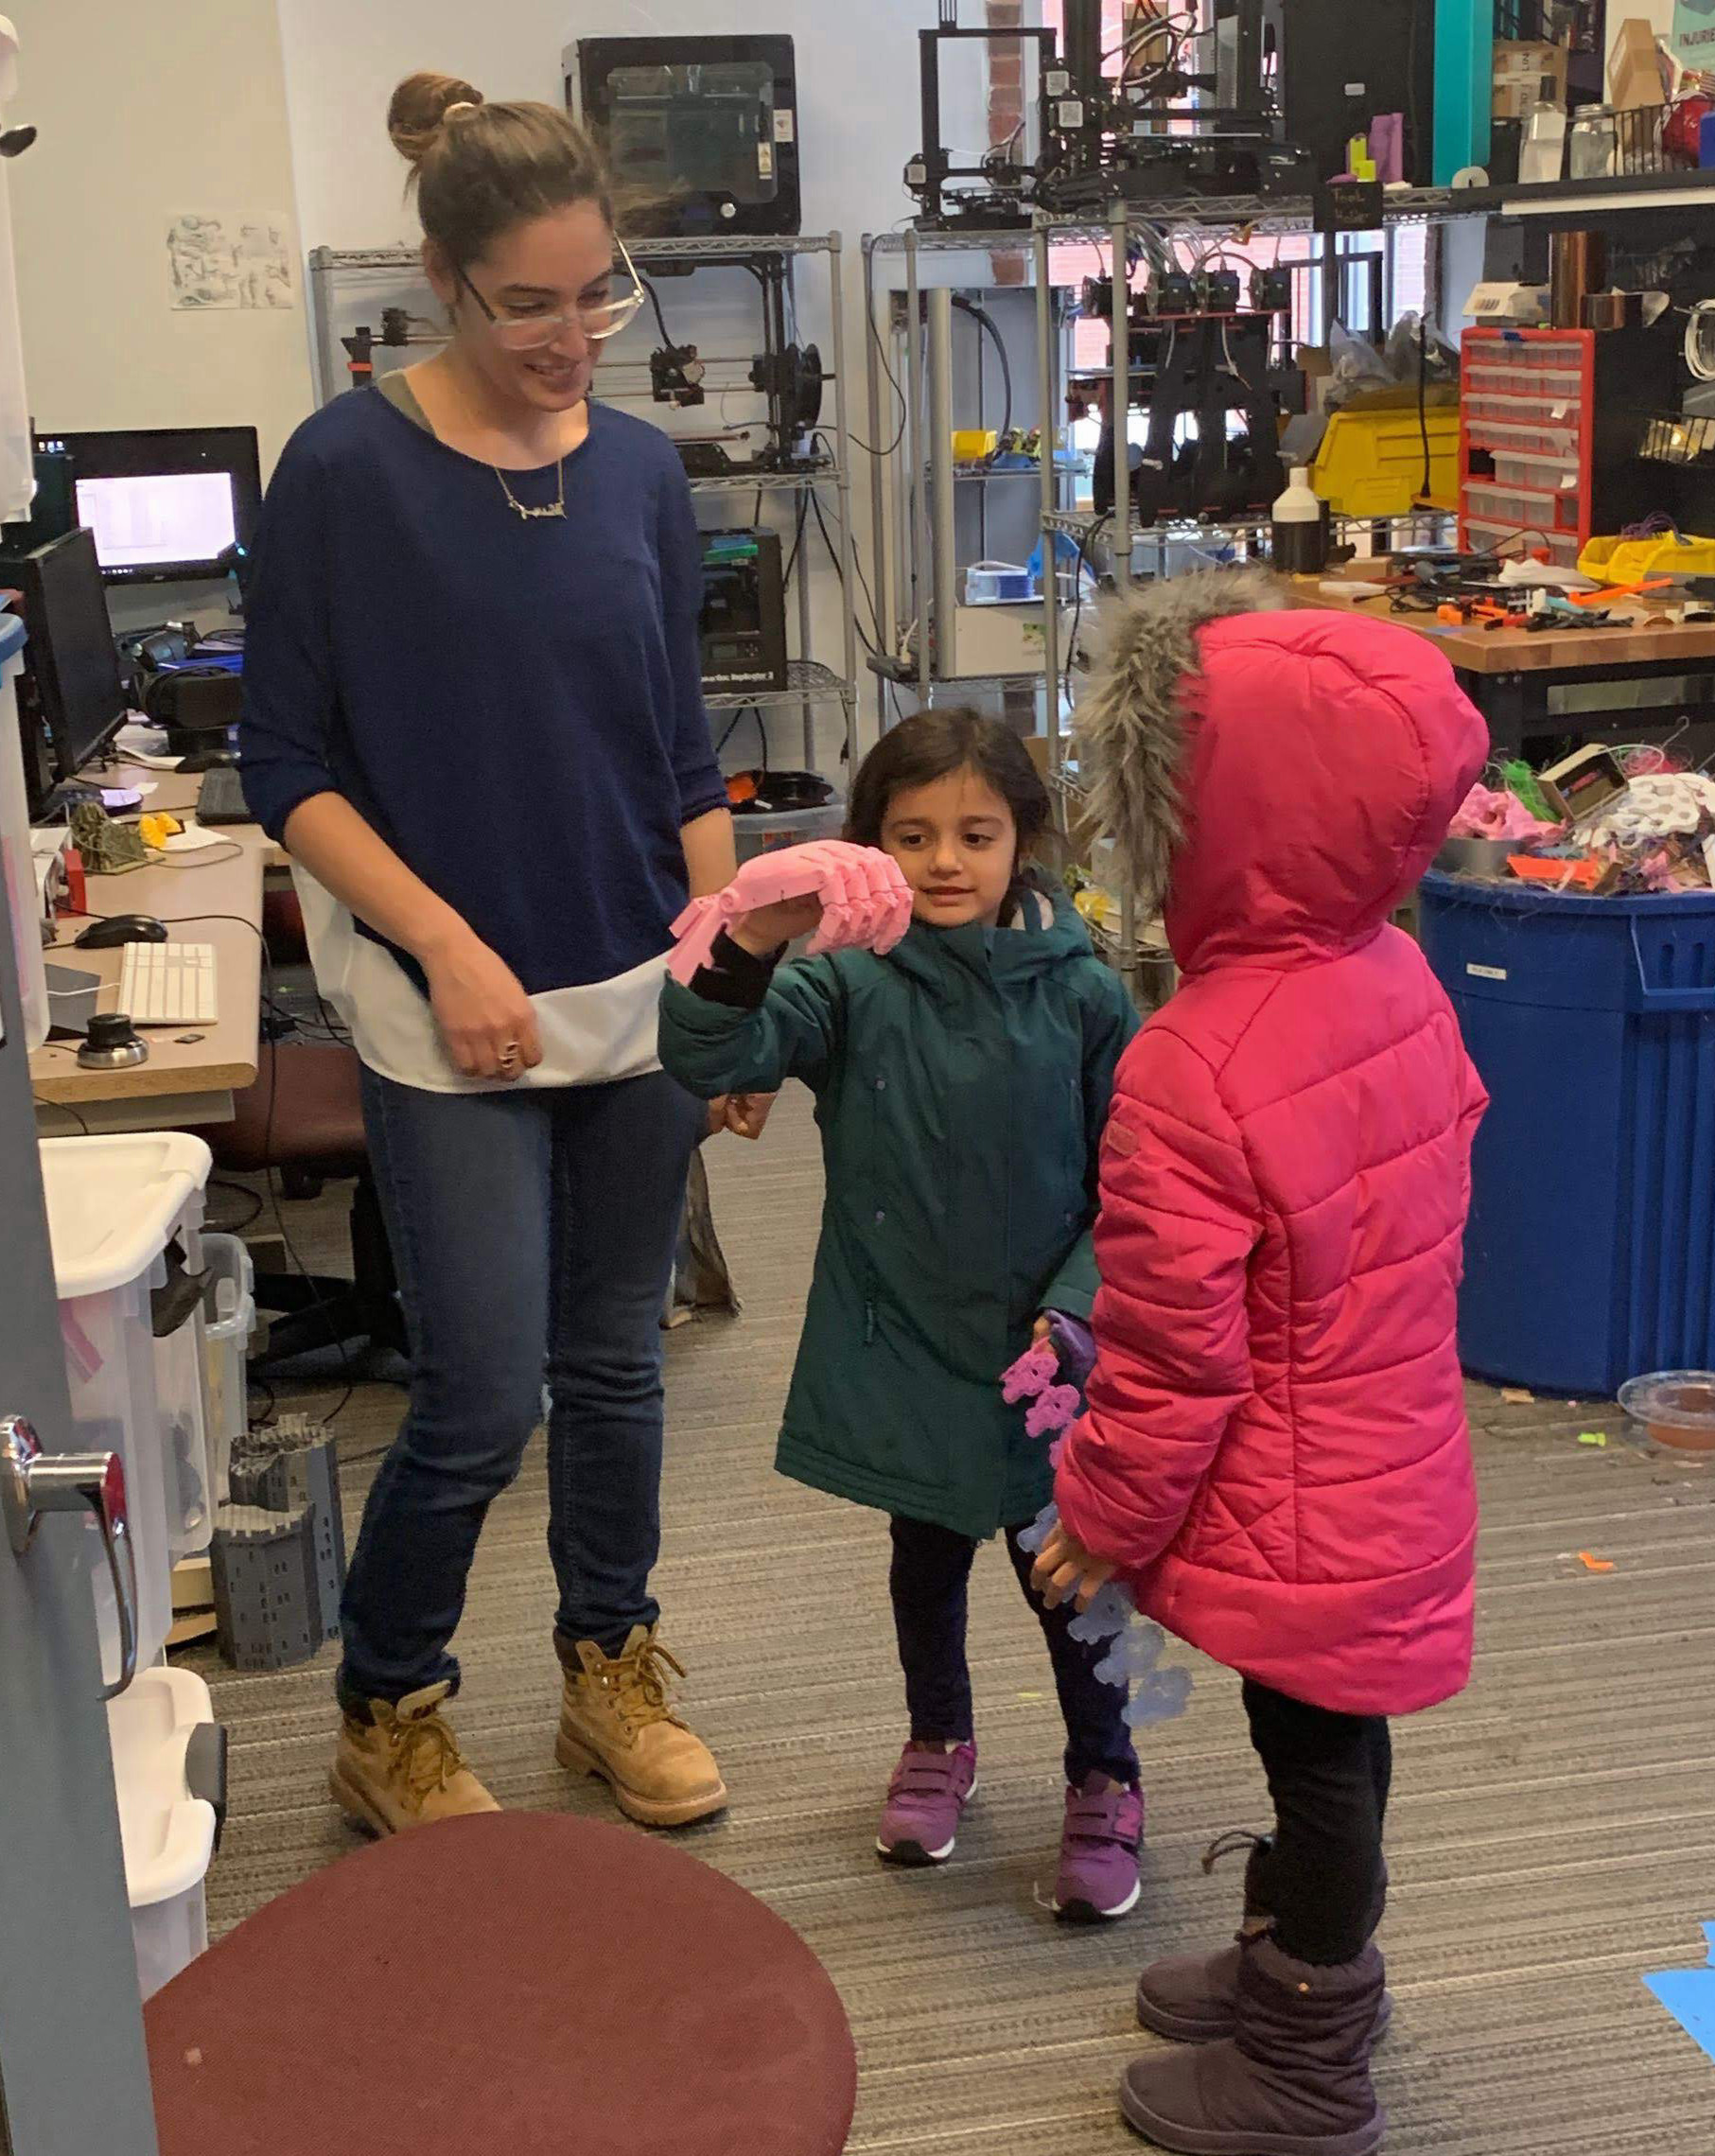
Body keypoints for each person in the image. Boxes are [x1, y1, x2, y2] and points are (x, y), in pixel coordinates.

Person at [241, 72, 746, 1837]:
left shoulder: (638, 471)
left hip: (638, 987)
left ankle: (610, 1662)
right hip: (442, 996)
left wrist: (732, 983)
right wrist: (447, 942)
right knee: (478, 1389)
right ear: (444, 282)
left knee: (615, 1367)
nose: (570, 334)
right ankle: (390, 1702)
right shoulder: (347, 469)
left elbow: (682, 750)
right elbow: (283, 766)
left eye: (596, 293)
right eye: (528, 301)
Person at [1031, 570, 1488, 2153]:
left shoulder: (1194, 1058)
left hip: (1298, 1487)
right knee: (1334, 1743)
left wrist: (1096, 1508)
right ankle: (1290, 1960)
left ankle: (1309, 2051)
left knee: (1316, 1759)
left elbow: (1171, 1358)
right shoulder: (1397, 972)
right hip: (1396, 1448)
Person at [658, 709, 1150, 1921]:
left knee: (1070, 1573)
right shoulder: (847, 980)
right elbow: (714, 1050)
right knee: (923, 1561)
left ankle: (1106, 1772)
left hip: (1048, 1349)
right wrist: (756, 931)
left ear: (1024, 841)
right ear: (869, 842)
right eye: (912, 833)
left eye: (975, 834)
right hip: (911, 1340)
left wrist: (1081, 1311)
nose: (944, 861)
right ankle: (940, 1740)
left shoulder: (1084, 992)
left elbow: (1137, 1183)